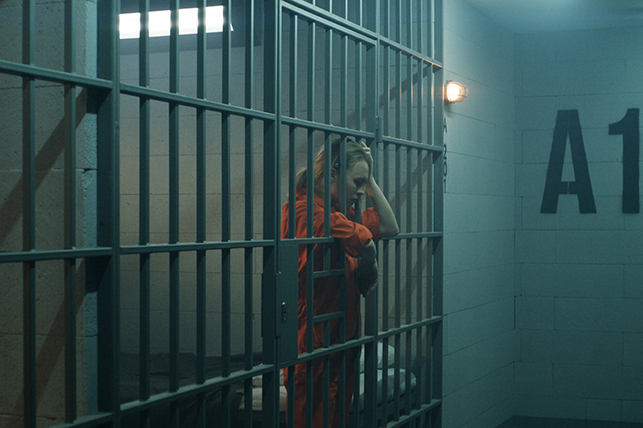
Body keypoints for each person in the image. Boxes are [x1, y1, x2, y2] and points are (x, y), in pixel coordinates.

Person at [281, 138, 399, 428]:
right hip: (314, 334)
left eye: (363, 185)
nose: (361, 192)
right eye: (357, 182)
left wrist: (369, 178)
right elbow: (367, 243)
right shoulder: (302, 209)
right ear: (333, 172)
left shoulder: (340, 211)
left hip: (339, 333)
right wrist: (368, 263)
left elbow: (389, 226)